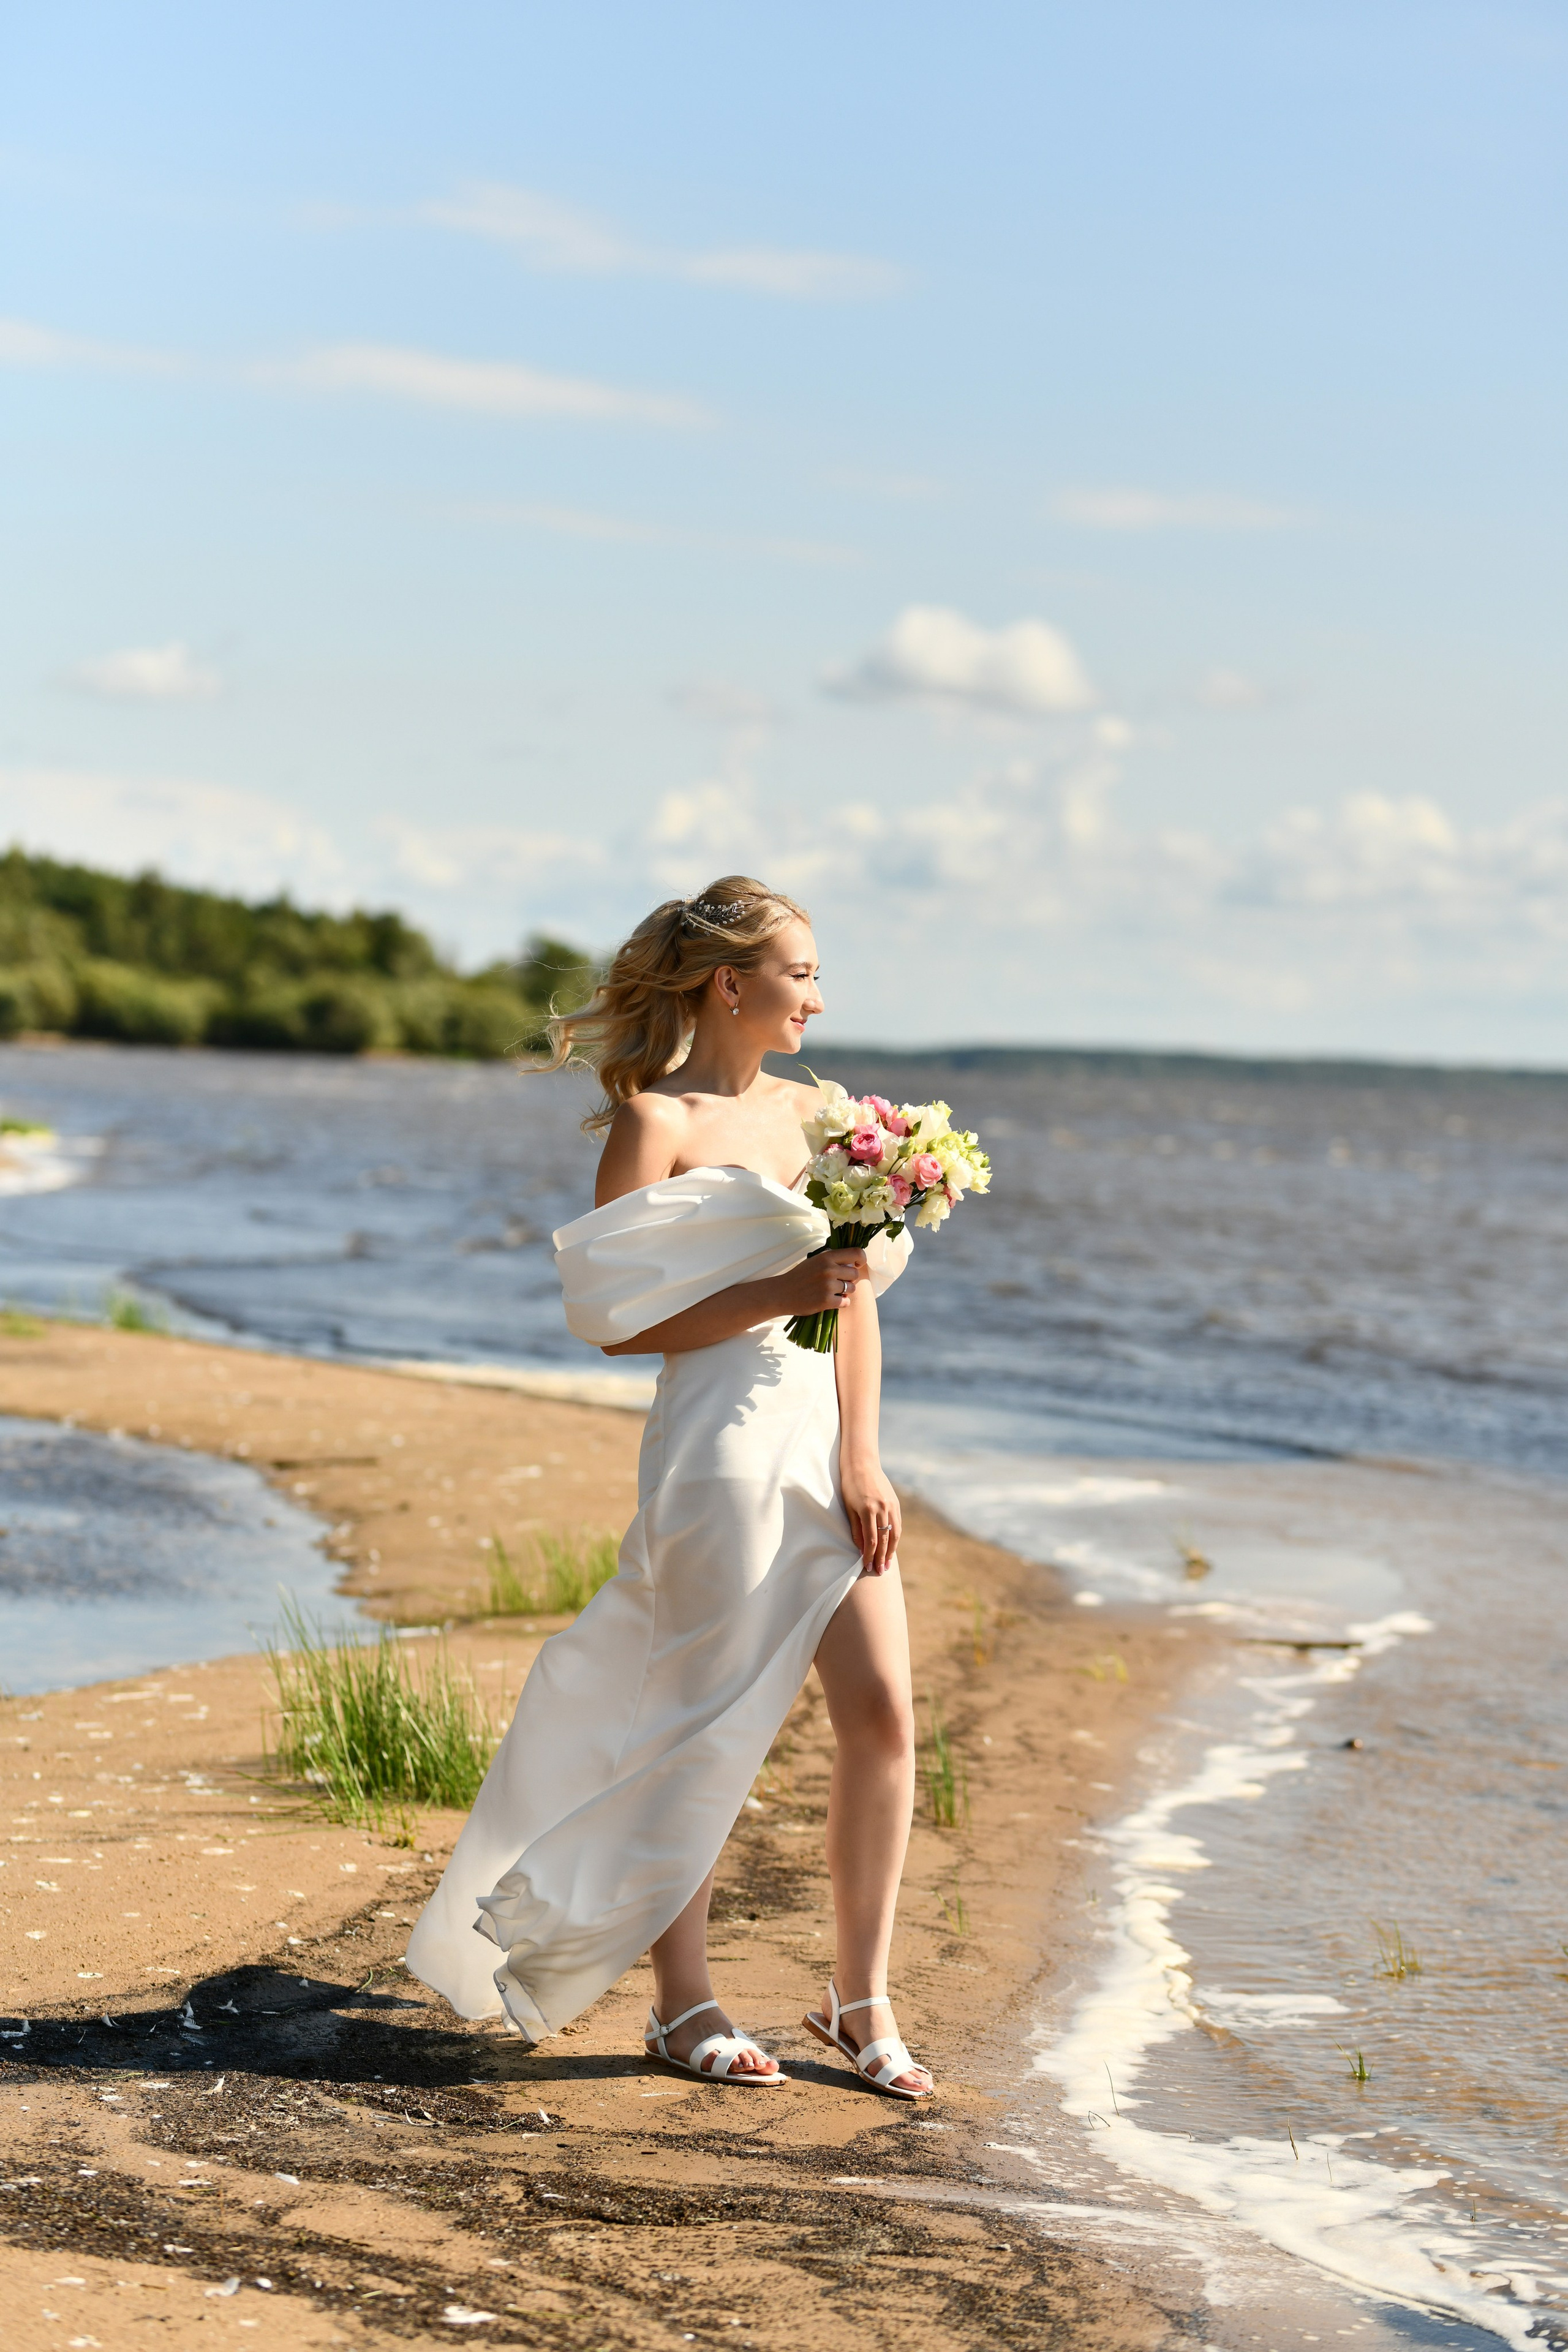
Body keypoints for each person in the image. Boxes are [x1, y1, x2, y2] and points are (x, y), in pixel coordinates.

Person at [406, 876, 932, 2100]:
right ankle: (680, 1999)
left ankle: (859, 2001)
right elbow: (613, 1323)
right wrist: (772, 1295)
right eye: (800, 973)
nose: (817, 996)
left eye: (817, 974)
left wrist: (862, 1455)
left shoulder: (831, 1121)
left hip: (827, 1447)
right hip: (717, 1450)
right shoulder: (656, 1124)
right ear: (729, 984)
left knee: (883, 1714)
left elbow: (853, 1298)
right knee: (699, 1728)